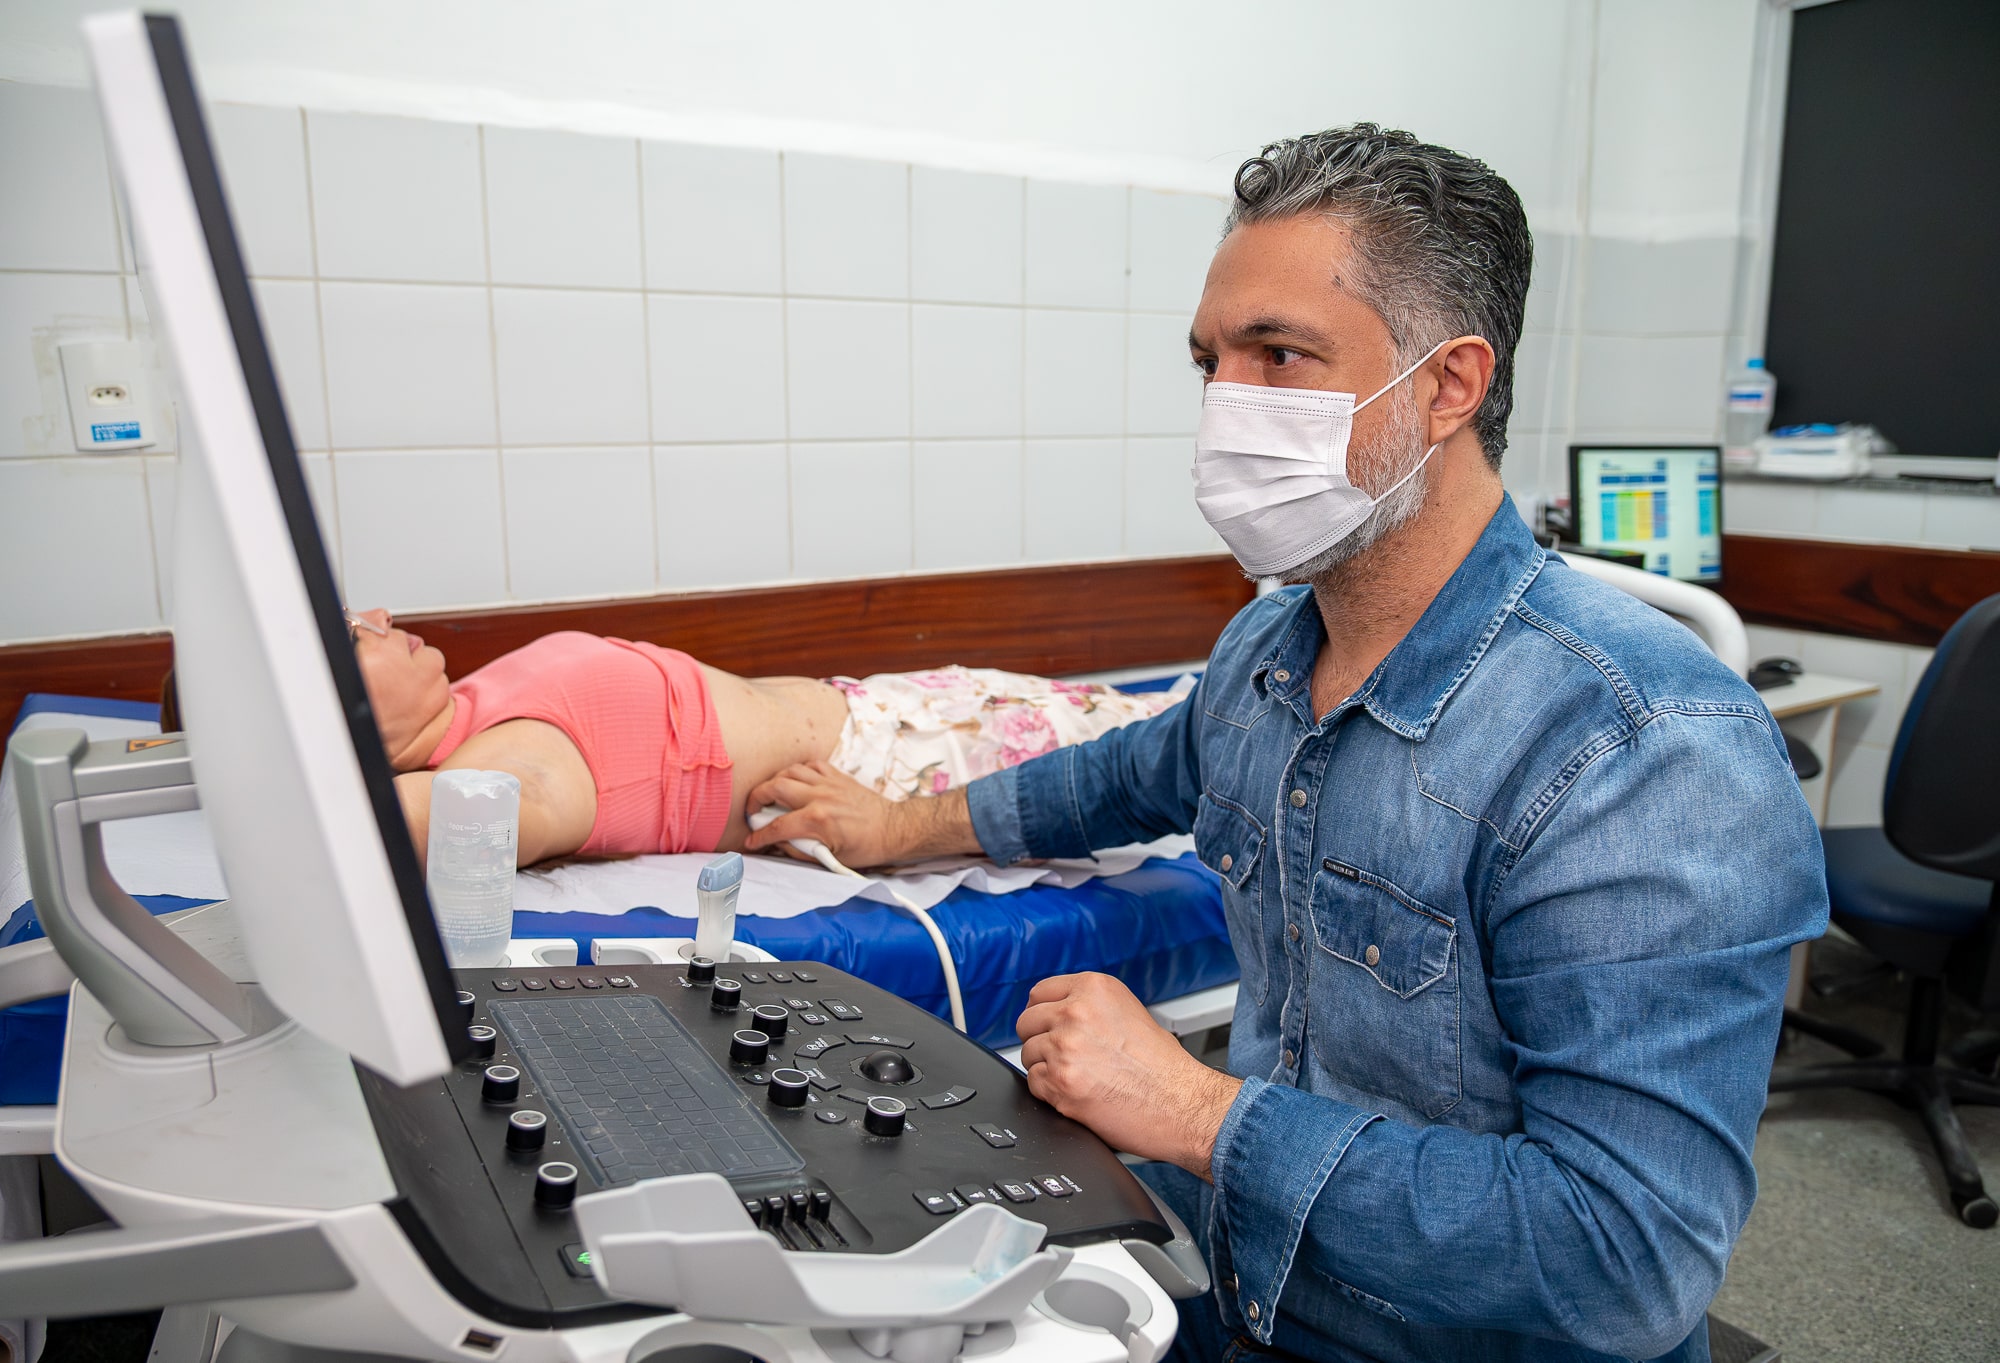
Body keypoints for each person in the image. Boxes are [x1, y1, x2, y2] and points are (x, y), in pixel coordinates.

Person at [744, 125, 1827, 1363]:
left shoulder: (1640, 753)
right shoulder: (1267, 650)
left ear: (1447, 385)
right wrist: (899, 825)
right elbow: (1118, 778)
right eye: (1209, 362)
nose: (1226, 408)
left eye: (1278, 355)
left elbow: (1623, 1261)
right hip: (1247, 1289)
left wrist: (1198, 1113)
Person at [340, 609, 1185, 867]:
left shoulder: (470, 705)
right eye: (350, 633)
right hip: (895, 773)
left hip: (890, 704)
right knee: (1197, 743)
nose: (378, 617)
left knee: (1167, 713)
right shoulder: (508, 766)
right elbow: (397, 817)